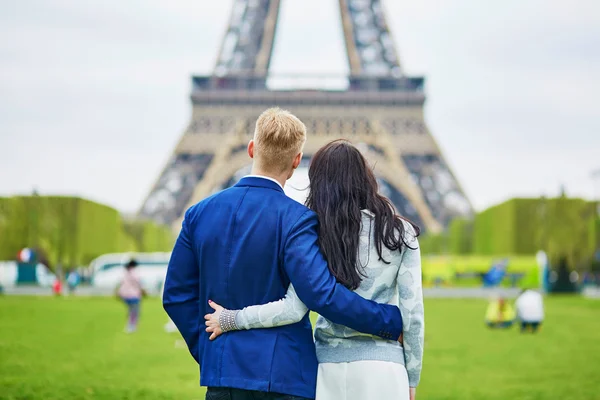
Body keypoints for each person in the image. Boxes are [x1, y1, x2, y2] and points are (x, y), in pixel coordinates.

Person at [163, 108, 405, 400]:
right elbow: (321, 294)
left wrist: (211, 350)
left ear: (252, 149)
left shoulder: (197, 215)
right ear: (296, 160)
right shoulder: (297, 219)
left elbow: (176, 295)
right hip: (283, 377)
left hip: (222, 377)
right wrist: (389, 321)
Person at [205, 139, 424, 400]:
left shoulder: (314, 234)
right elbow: (413, 316)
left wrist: (231, 318)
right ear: (365, 176)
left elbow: (292, 309)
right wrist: (412, 377)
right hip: (384, 370)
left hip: (327, 371)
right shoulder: (400, 232)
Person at [117, 259, 144, 333]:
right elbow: (139, 283)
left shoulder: (125, 273)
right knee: (135, 311)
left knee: (130, 311)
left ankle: (129, 325)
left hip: (125, 295)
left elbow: (121, 284)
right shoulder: (134, 273)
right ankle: (132, 326)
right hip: (134, 295)